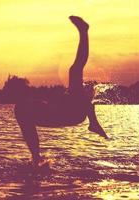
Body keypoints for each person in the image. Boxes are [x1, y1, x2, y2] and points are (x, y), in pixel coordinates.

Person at [14, 16, 108, 167]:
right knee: (21, 109)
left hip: (70, 113)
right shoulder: (76, 101)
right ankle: (36, 159)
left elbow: (80, 63)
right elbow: (86, 104)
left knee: (75, 69)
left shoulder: (74, 99)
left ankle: (84, 31)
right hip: (69, 113)